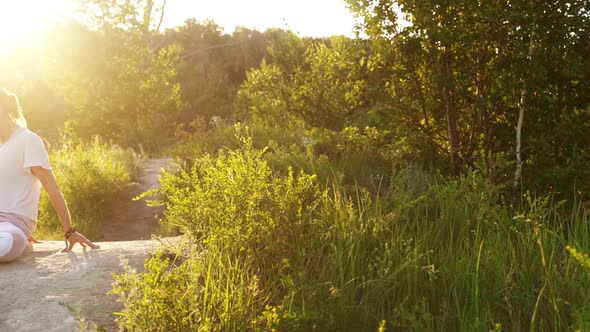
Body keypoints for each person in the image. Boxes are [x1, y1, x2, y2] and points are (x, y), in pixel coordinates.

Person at [0, 88, 99, 263]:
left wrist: (69, 230)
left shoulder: (28, 140)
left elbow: (52, 189)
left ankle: (15, 238)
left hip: (12, 226)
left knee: (7, 243)